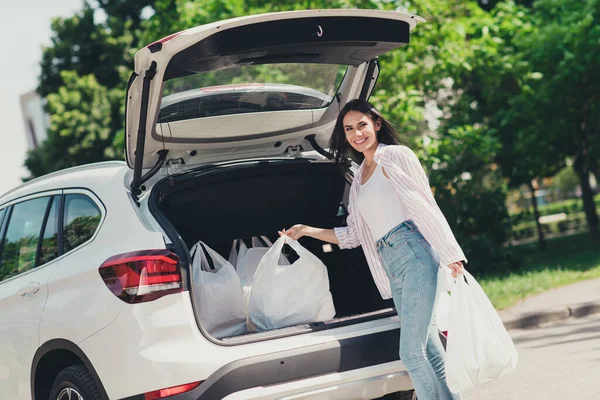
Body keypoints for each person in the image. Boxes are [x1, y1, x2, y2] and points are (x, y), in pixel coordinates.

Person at [279, 99, 465, 400]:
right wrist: (307, 231)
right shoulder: (358, 180)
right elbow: (353, 235)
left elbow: (424, 206)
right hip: (391, 261)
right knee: (428, 345)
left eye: (362, 125)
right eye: (349, 129)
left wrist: (450, 252)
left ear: (376, 124)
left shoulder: (396, 156)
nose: (356, 134)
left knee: (411, 353)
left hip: (414, 252)